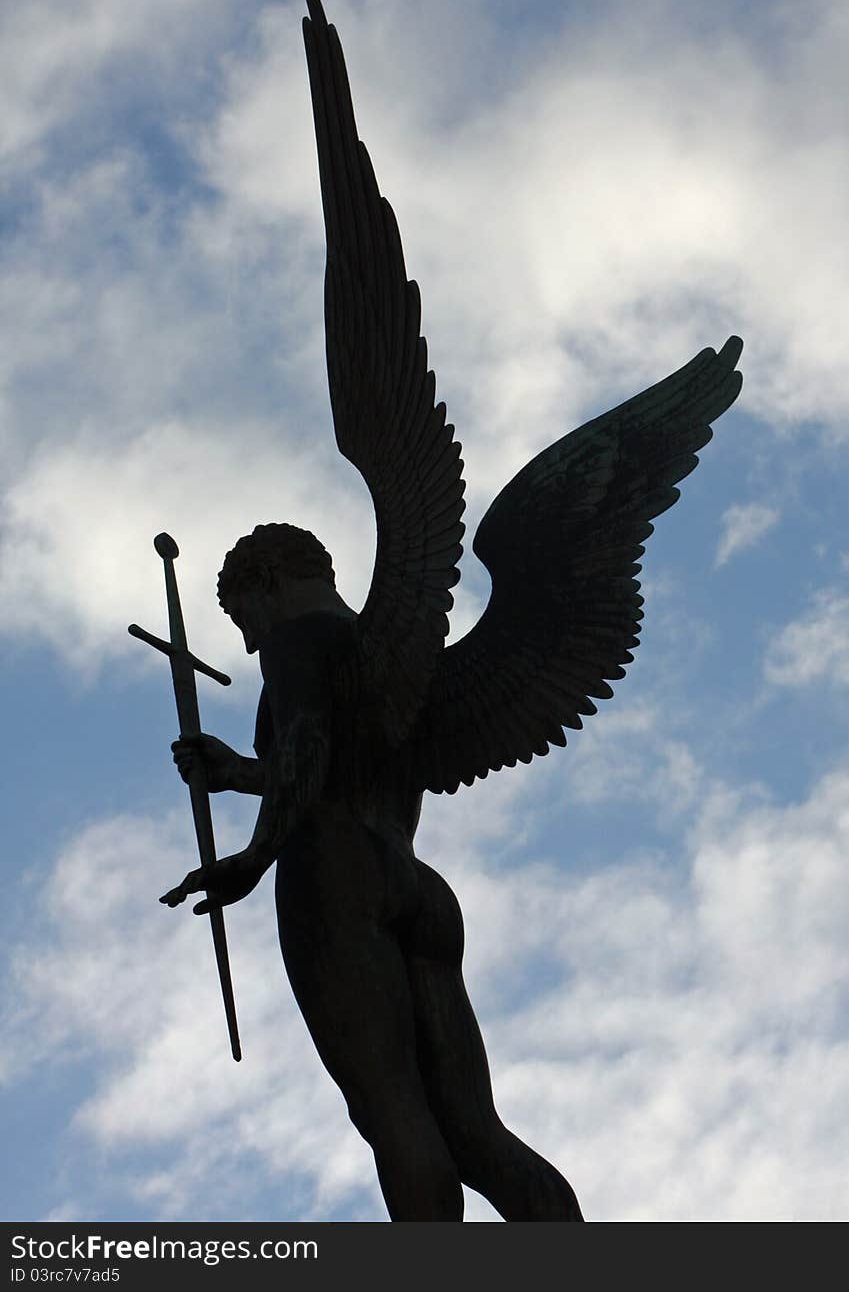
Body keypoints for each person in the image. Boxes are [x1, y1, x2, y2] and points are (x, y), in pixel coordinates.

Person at [162, 523, 584, 1222]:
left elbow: (307, 747)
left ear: (268, 582)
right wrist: (239, 774)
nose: (247, 641)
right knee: (476, 1136)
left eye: (244, 617)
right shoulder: (393, 664)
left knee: (391, 1112)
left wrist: (253, 858)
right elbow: (335, 769)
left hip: (336, 881)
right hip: (414, 882)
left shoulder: (297, 640)